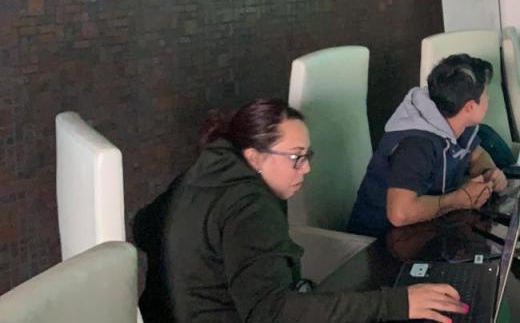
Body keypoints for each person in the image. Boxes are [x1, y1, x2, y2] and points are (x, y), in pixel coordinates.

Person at [164, 98, 468, 323]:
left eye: (307, 155)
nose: (306, 169)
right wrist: (397, 304)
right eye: (296, 157)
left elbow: (145, 223)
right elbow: (271, 312)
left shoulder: (210, 172)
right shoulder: (248, 206)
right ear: (254, 157)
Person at [348, 54, 509, 237]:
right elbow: (400, 214)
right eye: (486, 94)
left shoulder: (453, 115)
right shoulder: (416, 143)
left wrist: (488, 174)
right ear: (470, 107)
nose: (488, 99)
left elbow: (477, 155)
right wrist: (457, 200)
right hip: (382, 241)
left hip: (427, 229)